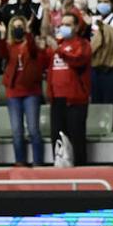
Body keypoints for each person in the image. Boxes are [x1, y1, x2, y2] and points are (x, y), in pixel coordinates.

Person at [43, 12, 91, 166]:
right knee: (57, 137)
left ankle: (81, 171)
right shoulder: (57, 45)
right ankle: (59, 167)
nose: (64, 27)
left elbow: (78, 60)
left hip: (75, 99)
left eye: (68, 24)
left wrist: (59, 50)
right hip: (57, 98)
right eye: (62, 24)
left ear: (76, 27)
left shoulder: (82, 44)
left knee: (76, 136)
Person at [0, 14, 43, 166]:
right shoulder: (10, 45)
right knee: (17, 131)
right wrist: (2, 35)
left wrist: (29, 33)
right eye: (15, 27)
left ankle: (38, 162)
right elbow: (1, 54)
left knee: (33, 129)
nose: (18, 29)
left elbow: (33, 50)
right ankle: (20, 161)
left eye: (21, 26)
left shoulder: (32, 43)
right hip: (13, 92)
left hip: (31, 91)